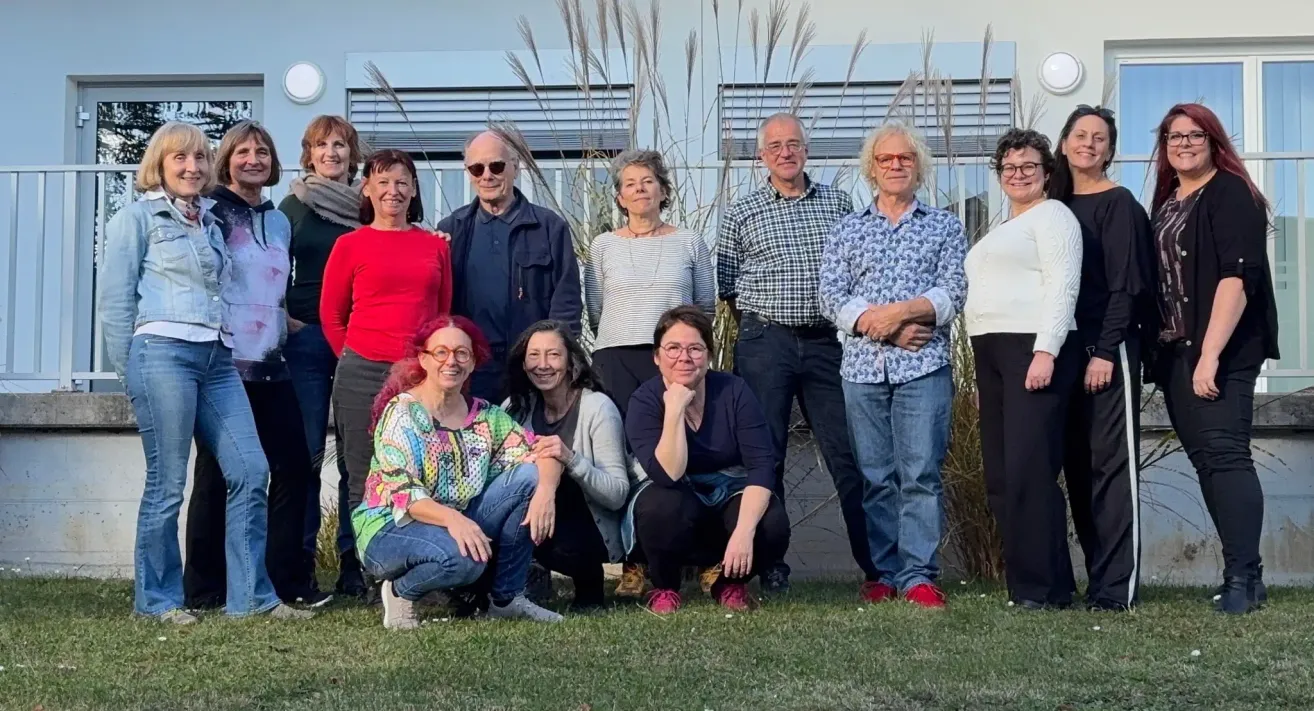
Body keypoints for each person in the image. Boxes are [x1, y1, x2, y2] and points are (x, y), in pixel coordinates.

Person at [97, 122, 310, 623]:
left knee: (251, 469)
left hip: (217, 357)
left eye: (198, 158)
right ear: (161, 165)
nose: (192, 168)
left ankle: (251, 598)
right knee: (168, 484)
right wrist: (128, 368)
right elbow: (114, 301)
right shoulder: (138, 219)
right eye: (180, 159)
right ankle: (158, 601)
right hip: (162, 354)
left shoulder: (211, 223)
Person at [716, 112, 874, 594]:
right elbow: (727, 286)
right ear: (761, 156)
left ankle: (876, 567)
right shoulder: (741, 213)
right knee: (767, 456)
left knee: (848, 453)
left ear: (806, 150)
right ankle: (771, 564)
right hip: (766, 342)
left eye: (794, 144)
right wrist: (764, 332)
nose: (786, 152)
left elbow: (854, 273)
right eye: (776, 146)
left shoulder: (840, 203)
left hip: (827, 343)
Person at [818, 121, 967, 608]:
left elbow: (952, 294)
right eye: (886, 159)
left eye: (905, 158)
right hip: (861, 370)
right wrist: (877, 326)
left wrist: (896, 314)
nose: (896, 165)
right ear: (872, 169)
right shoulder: (847, 228)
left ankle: (919, 575)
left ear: (918, 166)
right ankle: (882, 572)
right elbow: (830, 297)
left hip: (923, 368)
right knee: (876, 475)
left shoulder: (944, 225)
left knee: (920, 473)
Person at [181, 121, 323, 609]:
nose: (253, 159)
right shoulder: (212, 211)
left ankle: (284, 582)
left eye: (262, 151)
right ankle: (205, 590)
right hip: (224, 367)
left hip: (272, 364)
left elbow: (272, 287)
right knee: (218, 474)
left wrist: (290, 323)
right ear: (227, 160)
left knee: (292, 468)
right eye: (242, 152)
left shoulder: (278, 219)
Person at [1147, 103, 1279, 615]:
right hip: (1177, 352)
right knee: (1208, 462)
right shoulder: (1169, 200)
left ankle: (1244, 579)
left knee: (1227, 457)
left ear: (1214, 140)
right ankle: (1243, 575)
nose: (1183, 143)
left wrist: (1210, 357)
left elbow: (1237, 277)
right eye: (1173, 136)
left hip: (1219, 352)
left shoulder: (1230, 193)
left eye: (1194, 135)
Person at [354, 316, 565, 628]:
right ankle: (400, 591)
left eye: (461, 354)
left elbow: (544, 452)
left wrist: (546, 492)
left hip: (459, 521)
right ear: (424, 359)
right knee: (464, 560)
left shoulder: (486, 416)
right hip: (390, 526)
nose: (451, 361)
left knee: (530, 477)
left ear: (472, 362)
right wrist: (455, 520)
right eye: (441, 352)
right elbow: (405, 495)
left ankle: (506, 599)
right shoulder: (402, 413)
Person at [321, 149, 453, 597]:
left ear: (413, 189)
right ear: (367, 189)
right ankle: (358, 569)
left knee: (420, 469)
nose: (392, 191)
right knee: (360, 472)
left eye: (402, 182)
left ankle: (415, 563)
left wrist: (427, 368)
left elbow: (442, 314)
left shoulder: (434, 245)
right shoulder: (349, 245)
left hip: (418, 376)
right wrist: (354, 356)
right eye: (382, 181)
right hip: (361, 371)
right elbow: (331, 314)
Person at [965, 128, 1084, 610]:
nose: (1018, 174)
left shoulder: (1054, 216)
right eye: (1009, 168)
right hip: (990, 352)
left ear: (1047, 173)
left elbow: (1063, 285)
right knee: (1000, 475)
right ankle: (1036, 584)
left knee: (1030, 471)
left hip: (1031, 348)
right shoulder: (1004, 227)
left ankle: (1043, 589)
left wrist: (1046, 350)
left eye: (1028, 166)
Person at [1048, 105, 1155, 611]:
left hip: (1105, 353)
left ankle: (1116, 589)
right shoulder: (1050, 205)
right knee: (1076, 467)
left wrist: (1106, 351)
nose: (1089, 144)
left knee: (1111, 470)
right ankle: (1093, 578)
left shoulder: (1120, 205)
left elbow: (1126, 286)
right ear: (1064, 142)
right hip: (1060, 355)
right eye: (1080, 135)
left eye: (1100, 138)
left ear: (1110, 149)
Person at [625, 306, 791, 614]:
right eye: (673, 348)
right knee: (660, 506)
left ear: (709, 355)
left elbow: (761, 467)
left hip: (728, 495)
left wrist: (744, 531)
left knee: (772, 522)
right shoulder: (645, 401)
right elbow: (667, 475)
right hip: (676, 500)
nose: (684, 358)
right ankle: (665, 587)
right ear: (657, 357)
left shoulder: (734, 391)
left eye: (695, 349)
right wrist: (674, 411)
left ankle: (728, 583)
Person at [279, 115, 365, 598]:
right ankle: (303, 565)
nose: (331, 152)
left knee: (358, 458)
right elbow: (267, 264)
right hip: (308, 341)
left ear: (352, 156)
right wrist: (281, 315)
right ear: (309, 154)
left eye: (340, 145)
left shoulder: (368, 206)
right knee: (308, 455)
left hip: (359, 343)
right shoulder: (293, 205)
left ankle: (356, 564)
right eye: (321, 145)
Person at [438, 130, 582, 403]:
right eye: (477, 168)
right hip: (473, 369)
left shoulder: (550, 228)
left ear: (515, 167)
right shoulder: (451, 231)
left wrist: (557, 359)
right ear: (468, 173)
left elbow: (567, 301)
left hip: (533, 370)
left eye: (497, 166)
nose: (487, 176)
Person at [505, 320, 631, 610]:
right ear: (523, 364)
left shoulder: (598, 408)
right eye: (534, 355)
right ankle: (517, 585)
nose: (543, 364)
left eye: (553, 355)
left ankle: (589, 586)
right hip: (531, 519)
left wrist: (571, 460)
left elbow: (617, 495)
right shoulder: (514, 408)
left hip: (589, 527)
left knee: (564, 488)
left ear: (571, 362)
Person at [585, 149, 715, 417]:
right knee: (616, 436)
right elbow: (596, 309)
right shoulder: (602, 245)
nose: (639, 189)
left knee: (671, 432)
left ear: (664, 191)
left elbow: (705, 307)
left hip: (673, 356)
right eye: (629, 184)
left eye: (647, 181)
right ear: (621, 198)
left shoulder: (689, 241)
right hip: (614, 357)